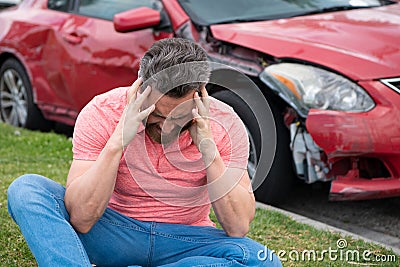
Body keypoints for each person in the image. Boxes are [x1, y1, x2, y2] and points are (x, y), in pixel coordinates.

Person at [7, 38, 281, 267]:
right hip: (112, 231)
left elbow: (238, 227)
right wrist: (118, 140)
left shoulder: (224, 124)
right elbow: (81, 217)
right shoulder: (102, 111)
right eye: (158, 115)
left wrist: (207, 146)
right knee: (27, 189)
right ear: (141, 87)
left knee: (262, 260)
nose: (167, 128)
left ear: (201, 96)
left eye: (179, 117)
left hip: (185, 240)